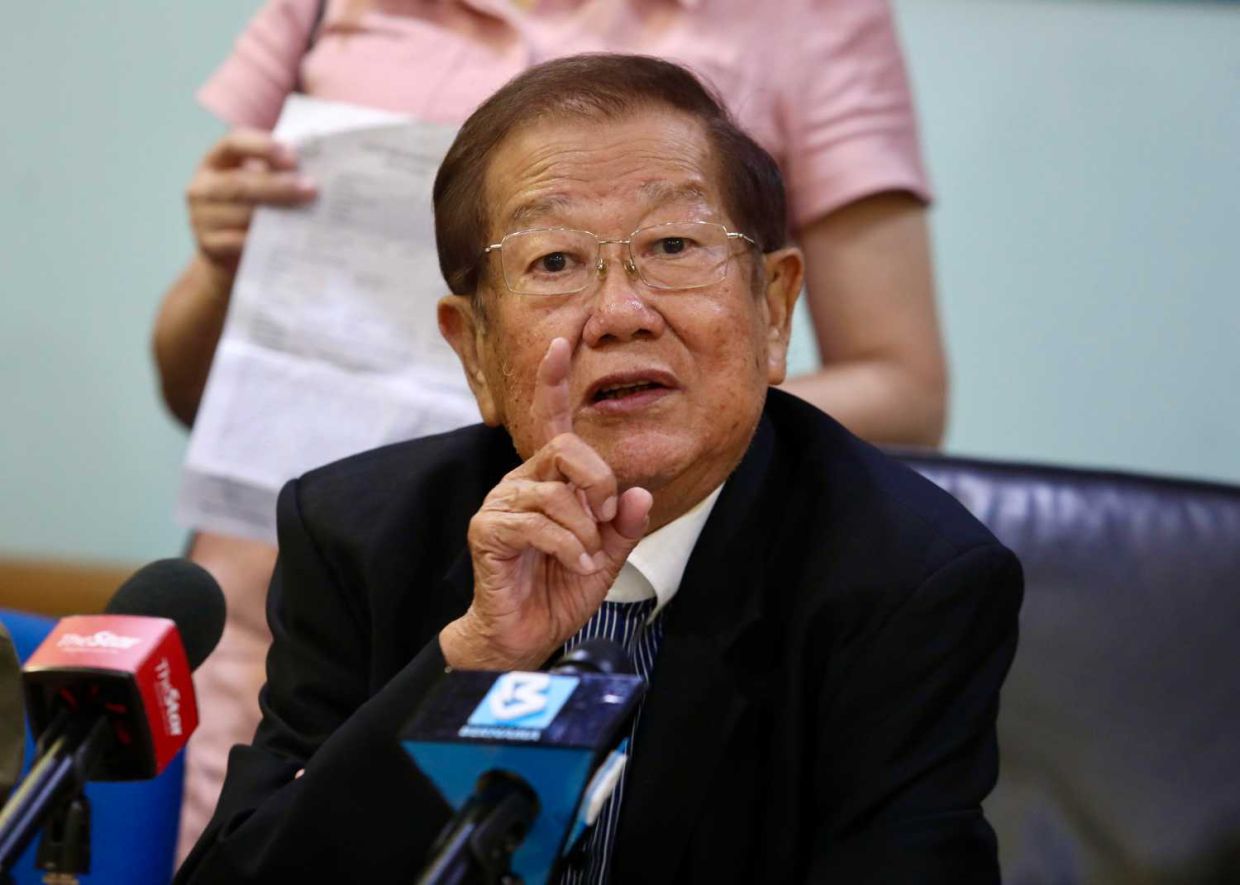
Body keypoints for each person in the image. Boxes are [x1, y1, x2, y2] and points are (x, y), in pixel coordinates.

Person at [176, 54, 1020, 883]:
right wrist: (473, 659)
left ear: (773, 311)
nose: (620, 313)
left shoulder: (907, 582)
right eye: (555, 262)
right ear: (474, 351)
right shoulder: (358, 537)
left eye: (674, 244)